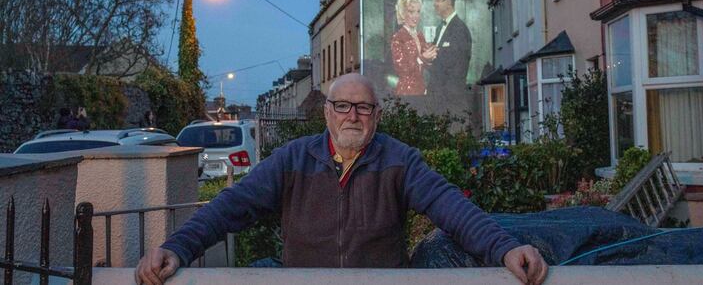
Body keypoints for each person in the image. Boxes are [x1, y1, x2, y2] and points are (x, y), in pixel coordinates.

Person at [135, 74, 547, 285]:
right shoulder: (292, 159)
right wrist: (178, 248)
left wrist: (505, 249)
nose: (353, 115)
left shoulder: (399, 161)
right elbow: (230, 207)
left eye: (363, 108)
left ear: (377, 115)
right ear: (328, 112)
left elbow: (451, 207)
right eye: (343, 106)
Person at [428, 0, 472, 96]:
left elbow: (459, 68)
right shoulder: (439, 28)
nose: (434, 4)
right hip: (437, 96)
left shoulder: (460, 30)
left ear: (448, 2)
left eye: (437, 0)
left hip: (448, 97)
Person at [390, 0, 437, 95]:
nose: (415, 16)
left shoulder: (420, 35)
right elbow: (402, 69)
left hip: (421, 89)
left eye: (418, 11)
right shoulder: (398, 37)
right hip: (406, 91)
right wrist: (422, 58)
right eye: (411, 12)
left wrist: (432, 55)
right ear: (403, 13)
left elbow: (426, 64)